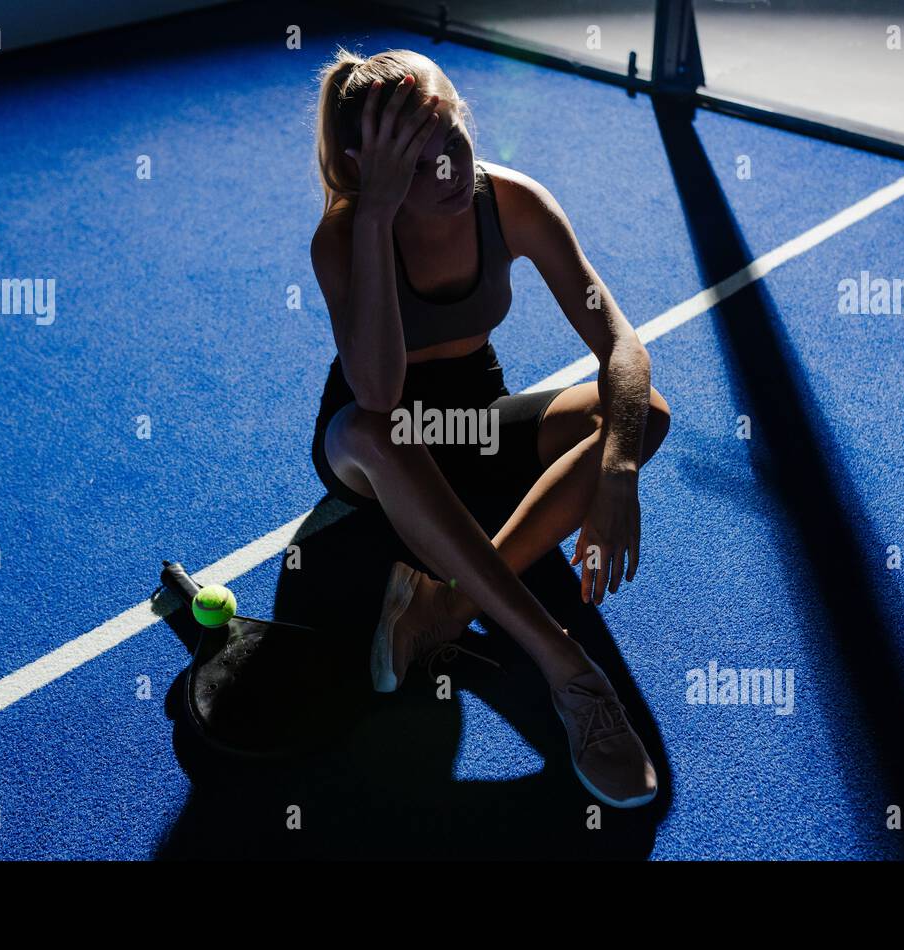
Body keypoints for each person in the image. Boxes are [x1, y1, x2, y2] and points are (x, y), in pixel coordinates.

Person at [310, 47, 671, 808]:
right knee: (378, 432)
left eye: (453, 142)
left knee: (642, 418)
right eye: (412, 164)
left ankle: (445, 607)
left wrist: (617, 472)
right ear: (365, 165)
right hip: (376, 449)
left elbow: (622, 346)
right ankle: (569, 669)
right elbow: (377, 392)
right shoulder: (342, 238)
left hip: (472, 423)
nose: (445, 172)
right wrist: (376, 213)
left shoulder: (512, 203)